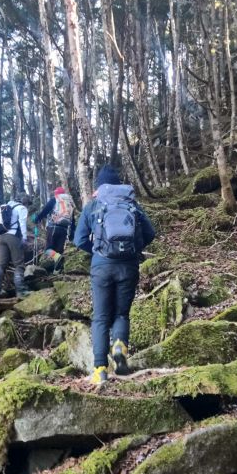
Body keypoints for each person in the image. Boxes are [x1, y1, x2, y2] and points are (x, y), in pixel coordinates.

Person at [74, 164, 155, 385]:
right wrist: (133, 250)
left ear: (99, 186)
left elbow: (79, 239)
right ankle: (119, 345)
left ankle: (100, 369)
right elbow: (150, 233)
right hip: (128, 266)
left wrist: (98, 252)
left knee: (100, 317)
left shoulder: (93, 206)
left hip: (101, 267)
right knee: (121, 314)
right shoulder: (131, 204)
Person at [0, 192, 32, 298]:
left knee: (1, 264)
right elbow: (22, 224)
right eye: (27, 203)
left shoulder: (2, 207)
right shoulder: (21, 208)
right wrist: (24, 238)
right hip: (13, 237)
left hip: (1, 237)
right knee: (19, 264)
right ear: (24, 201)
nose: (27, 205)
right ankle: (20, 291)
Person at [32, 186, 76, 262]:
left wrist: (37, 219)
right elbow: (73, 219)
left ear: (56, 193)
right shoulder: (69, 202)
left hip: (53, 227)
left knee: (48, 249)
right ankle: (57, 269)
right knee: (59, 250)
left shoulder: (55, 199)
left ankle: (58, 259)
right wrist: (72, 233)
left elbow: (45, 210)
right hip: (64, 229)